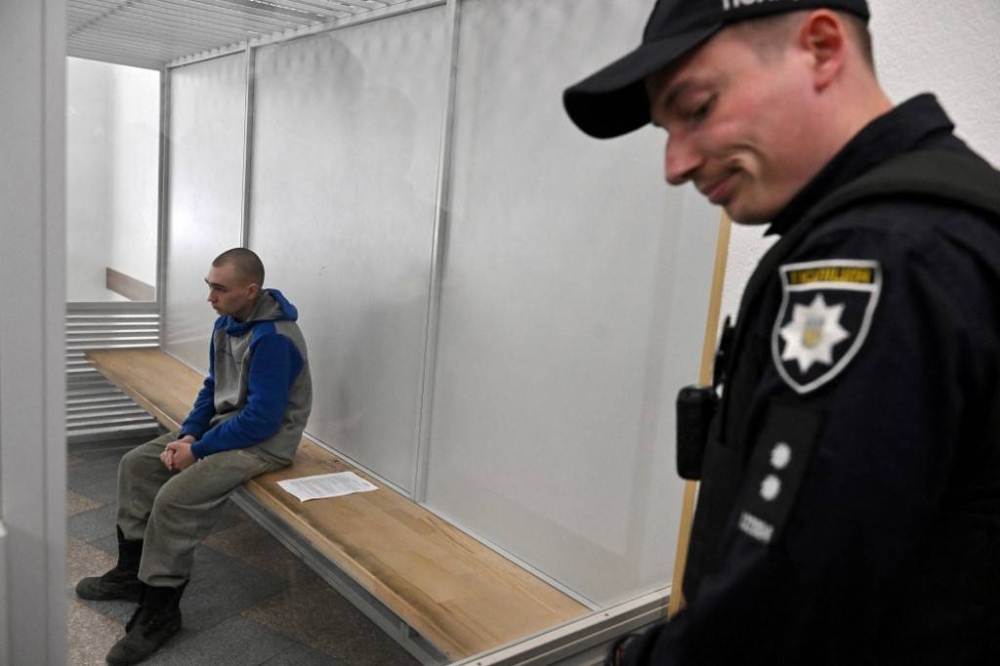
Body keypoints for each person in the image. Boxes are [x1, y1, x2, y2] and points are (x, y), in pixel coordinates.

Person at [564, 0, 1000, 663]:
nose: (674, 164)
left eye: (697, 108)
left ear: (821, 47)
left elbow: (784, 612)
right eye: (665, 130)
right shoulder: (939, 219)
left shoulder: (882, 256)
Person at [76, 248, 312, 665]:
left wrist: (197, 451)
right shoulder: (226, 323)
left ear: (250, 290)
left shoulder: (274, 339)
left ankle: (161, 613)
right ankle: (131, 575)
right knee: (136, 465)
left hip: (265, 443)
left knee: (175, 500)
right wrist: (188, 434)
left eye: (219, 289)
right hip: (227, 428)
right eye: (209, 286)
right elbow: (211, 388)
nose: (210, 297)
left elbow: (262, 421)